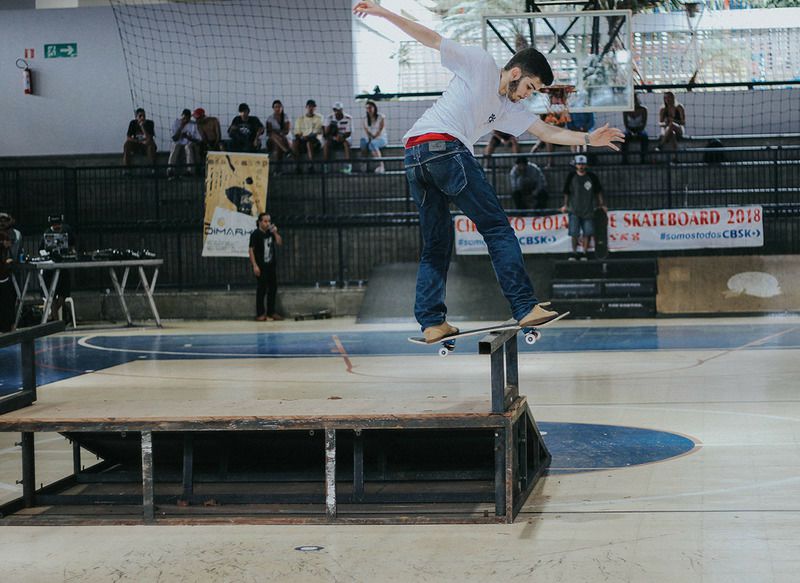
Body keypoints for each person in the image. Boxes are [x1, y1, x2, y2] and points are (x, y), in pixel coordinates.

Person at [353, 1, 623, 342]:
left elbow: (545, 132)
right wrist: (383, 12)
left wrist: (588, 138)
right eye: (529, 87)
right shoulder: (480, 62)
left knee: (437, 242)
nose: (528, 95)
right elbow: (431, 38)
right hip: (445, 149)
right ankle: (524, 306)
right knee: (496, 228)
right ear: (514, 72)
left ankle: (432, 321)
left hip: (414, 157)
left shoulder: (509, 108)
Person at [560, 155, 605, 260]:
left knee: (587, 232)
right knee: (574, 233)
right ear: (576, 165)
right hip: (574, 209)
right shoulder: (571, 176)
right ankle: (574, 252)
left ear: (586, 165)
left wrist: (601, 205)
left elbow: (598, 191)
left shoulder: (592, 176)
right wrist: (565, 205)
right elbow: (566, 192)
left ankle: (584, 252)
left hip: (588, 209)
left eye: (582, 164)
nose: (581, 166)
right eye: (579, 164)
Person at [39, 214, 76, 322]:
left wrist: (71, 251)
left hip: (63, 265)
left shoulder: (67, 230)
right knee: (51, 294)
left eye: (59, 225)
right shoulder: (46, 233)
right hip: (50, 268)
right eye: (55, 225)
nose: (57, 227)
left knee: (64, 292)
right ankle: (55, 320)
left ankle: (53, 317)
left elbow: (73, 244)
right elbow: (41, 249)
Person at [248, 213, 284, 322]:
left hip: (271, 265)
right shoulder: (255, 234)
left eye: (269, 221)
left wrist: (275, 232)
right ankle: (260, 313)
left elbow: (279, 242)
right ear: (259, 222)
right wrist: (254, 265)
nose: (267, 223)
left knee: (273, 288)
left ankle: (271, 312)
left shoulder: (270, 233)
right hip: (261, 266)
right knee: (262, 289)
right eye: (265, 221)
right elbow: (251, 250)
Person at [167, 108, 201, 178]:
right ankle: (170, 170)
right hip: (178, 142)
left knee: (188, 147)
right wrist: (181, 127)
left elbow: (198, 139)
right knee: (175, 146)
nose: (186, 120)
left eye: (187, 118)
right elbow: (174, 138)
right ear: (181, 116)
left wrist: (188, 137)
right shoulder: (176, 122)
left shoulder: (193, 124)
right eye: (184, 118)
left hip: (189, 142)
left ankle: (190, 170)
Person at [292, 99, 324, 173]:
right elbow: (297, 133)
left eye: (313, 107)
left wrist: (306, 136)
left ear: (315, 108)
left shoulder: (319, 117)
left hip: (315, 140)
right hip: (303, 140)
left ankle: (311, 166)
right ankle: (297, 166)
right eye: (309, 106)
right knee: (294, 142)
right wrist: (301, 137)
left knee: (309, 143)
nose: (311, 108)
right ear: (306, 107)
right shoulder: (300, 119)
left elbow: (316, 132)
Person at [323, 102, 353, 173]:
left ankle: (348, 166)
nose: (338, 112)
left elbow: (349, 132)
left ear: (342, 110)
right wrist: (334, 137)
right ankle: (325, 166)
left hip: (344, 137)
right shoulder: (329, 118)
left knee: (346, 143)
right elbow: (326, 134)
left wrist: (342, 137)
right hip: (333, 138)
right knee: (326, 144)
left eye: (339, 110)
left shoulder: (348, 118)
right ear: (333, 110)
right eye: (336, 110)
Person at [359, 100, 388, 174]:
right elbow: (367, 132)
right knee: (363, 141)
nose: (369, 109)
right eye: (367, 108)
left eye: (370, 107)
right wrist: (370, 139)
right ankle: (364, 164)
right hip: (371, 139)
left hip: (381, 139)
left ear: (374, 108)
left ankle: (381, 165)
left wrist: (372, 139)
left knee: (372, 144)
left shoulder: (381, 117)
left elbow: (380, 131)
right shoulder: (365, 118)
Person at [622, 93, 648, 164]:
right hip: (629, 129)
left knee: (644, 137)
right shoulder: (626, 110)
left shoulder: (643, 109)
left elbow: (644, 123)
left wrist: (637, 131)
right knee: (623, 137)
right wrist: (631, 132)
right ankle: (624, 159)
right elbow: (626, 124)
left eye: (635, 99)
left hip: (640, 129)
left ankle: (643, 159)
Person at [266, 100, 292, 166]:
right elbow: (269, 132)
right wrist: (278, 133)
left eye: (279, 107)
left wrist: (277, 132)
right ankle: (286, 151)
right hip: (273, 139)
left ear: (282, 108)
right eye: (276, 107)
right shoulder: (270, 118)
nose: (278, 109)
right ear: (273, 108)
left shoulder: (286, 117)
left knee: (277, 145)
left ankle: (277, 169)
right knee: (273, 136)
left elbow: (287, 131)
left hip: (285, 139)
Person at [0, 230, 16, 333]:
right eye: (9, 241)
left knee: (9, 301)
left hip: (4, 279)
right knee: (5, 304)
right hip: (2, 280)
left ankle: (8, 326)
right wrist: (6, 263)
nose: (10, 244)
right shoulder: (1, 249)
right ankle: (6, 327)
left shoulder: (5, 250)